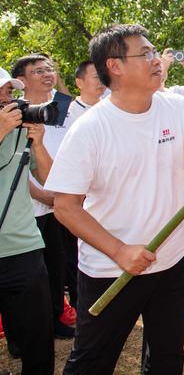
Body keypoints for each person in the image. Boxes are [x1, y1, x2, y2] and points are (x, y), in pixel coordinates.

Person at [46, 24, 184, 375]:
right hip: (112, 268)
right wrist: (120, 250)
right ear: (115, 66)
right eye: (146, 53)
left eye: (155, 52)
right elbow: (64, 205)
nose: (158, 60)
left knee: (167, 358)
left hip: (171, 258)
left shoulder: (175, 107)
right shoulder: (91, 128)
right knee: (92, 361)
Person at [13, 54, 75, 341]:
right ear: (21, 80)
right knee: (27, 277)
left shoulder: (58, 109)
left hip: (57, 205)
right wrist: (43, 194)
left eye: (50, 69)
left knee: (56, 267)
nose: (47, 74)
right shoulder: (15, 113)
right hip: (29, 208)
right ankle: (19, 335)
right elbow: (15, 166)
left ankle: (54, 318)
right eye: (38, 71)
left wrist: (59, 196)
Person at [0, 67, 55, 375]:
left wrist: (39, 144)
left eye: (10, 92)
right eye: (3, 93)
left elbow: (49, 179)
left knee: (37, 335)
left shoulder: (21, 133)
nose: (9, 100)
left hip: (24, 246)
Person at [61, 61, 106, 309]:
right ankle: (80, 305)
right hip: (79, 200)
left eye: (102, 76)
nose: (100, 80)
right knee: (77, 258)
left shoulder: (112, 109)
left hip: (106, 201)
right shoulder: (67, 115)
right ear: (79, 82)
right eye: (94, 76)